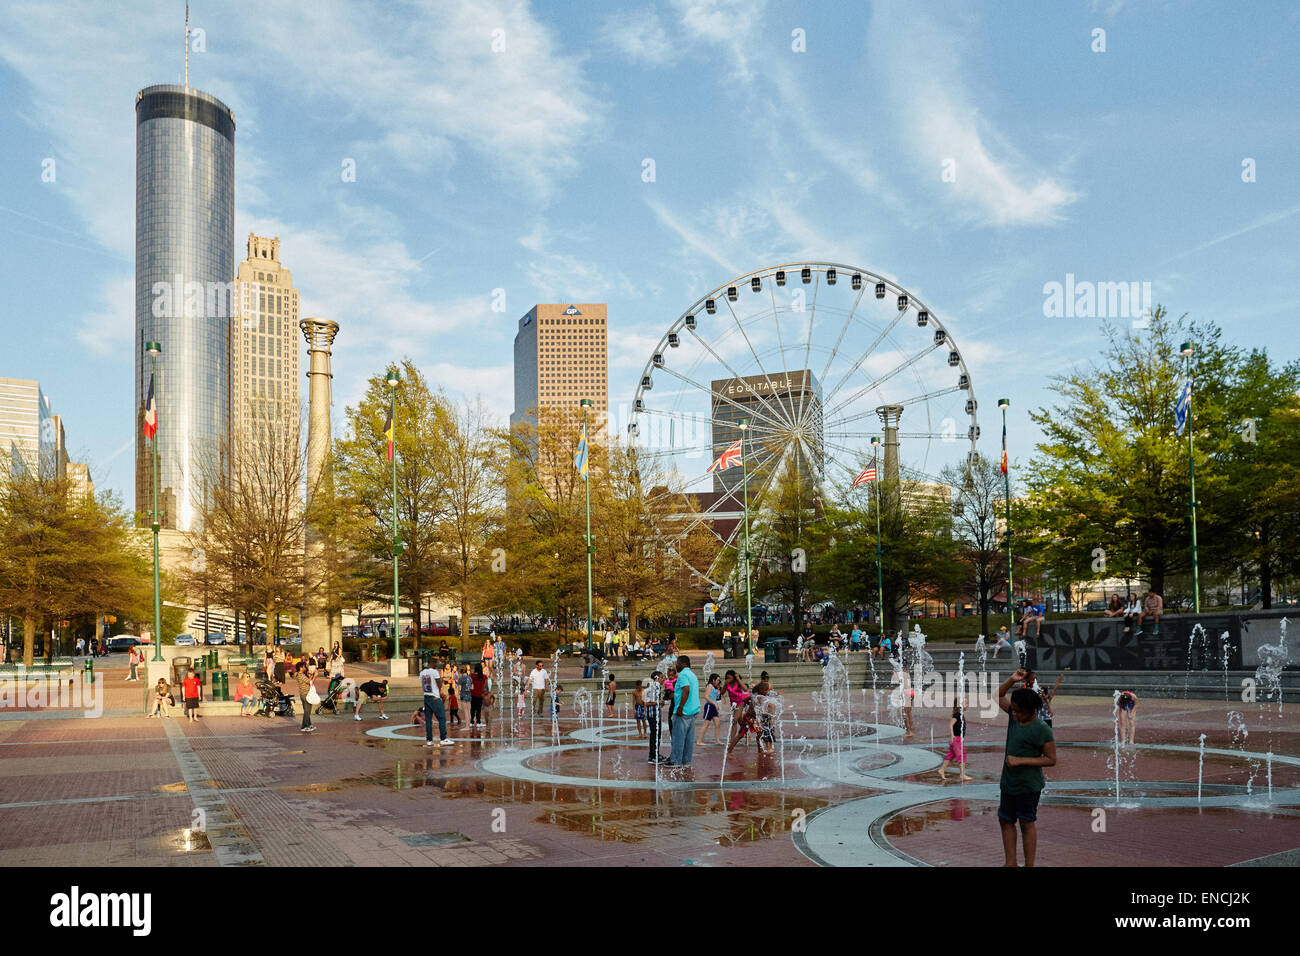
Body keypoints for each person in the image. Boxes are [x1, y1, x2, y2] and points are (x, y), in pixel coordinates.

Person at [997, 669, 1057, 867]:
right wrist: (1012, 680)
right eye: (1013, 710)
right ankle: (1010, 863)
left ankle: (1029, 864)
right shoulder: (1014, 718)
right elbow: (998, 695)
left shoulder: (1042, 729)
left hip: (1028, 785)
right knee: (1005, 820)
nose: (1013, 713)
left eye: (1018, 711)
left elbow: (1051, 759)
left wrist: (1021, 761)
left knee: (1026, 822)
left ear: (1030, 711)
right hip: (1008, 782)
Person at [667, 655, 700, 766]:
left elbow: (686, 689)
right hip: (693, 710)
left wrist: (680, 707)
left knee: (678, 738)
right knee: (688, 739)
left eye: (677, 663)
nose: (676, 665)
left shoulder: (682, 675)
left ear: (683, 664)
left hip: (684, 711)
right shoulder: (692, 675)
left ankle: (676, 761)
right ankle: (686, 761)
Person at [419, 659, 452, 746]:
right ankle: (443, 739)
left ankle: (429, 740)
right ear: (432, 663)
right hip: (435, 698)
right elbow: (439, 684)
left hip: (426, 697)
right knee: (442, 718)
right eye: (436, 663)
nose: (436, 664)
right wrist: (439, 690)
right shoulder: (434, 672)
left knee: (428, 720)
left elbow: (423, 684)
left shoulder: (422, 673)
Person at [937, 700, 971, 781]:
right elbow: (951, 725)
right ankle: (962, 774)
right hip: (957, 739)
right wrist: (952, 736)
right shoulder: (957, 715)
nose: (967, 705)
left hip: (957, 739)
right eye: (966, 703)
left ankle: (942, 770)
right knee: (962, 755)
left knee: (951, 755)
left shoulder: (960, 715)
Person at [696, 673, 723, 745]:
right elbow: (706, 696)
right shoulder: (710, 686)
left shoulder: (713, 687)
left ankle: (717, 740)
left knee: (717, 723)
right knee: (706, 724)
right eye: (717, 680)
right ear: (713, 680)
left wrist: (716, 705)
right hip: (709, 706)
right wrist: (714, 704)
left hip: (713, 707)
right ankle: (699, 741)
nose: (718, 682)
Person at [644, 672, 664, 763]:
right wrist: (659, 702)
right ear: (657, 678)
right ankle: (652, 756)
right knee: (655, 735)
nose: (663, 679)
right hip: (653, 715)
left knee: (656, 735)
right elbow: (647, 702)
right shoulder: (653, 687)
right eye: (661, 677)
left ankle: (655, 754)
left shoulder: (656, 687)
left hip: (655, 714)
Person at [295, 662, 316, 732]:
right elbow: (310, 682)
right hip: (305, 695)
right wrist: (315, 676)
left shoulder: (300, 674)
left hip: (304, 694)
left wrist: (311, 676)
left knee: (307, 711)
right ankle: (304, 726)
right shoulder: (300, 675)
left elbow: (308, 681)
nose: (305, 668)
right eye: (304, 666)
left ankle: (309, 724)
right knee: (307, 711)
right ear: (300, 668)